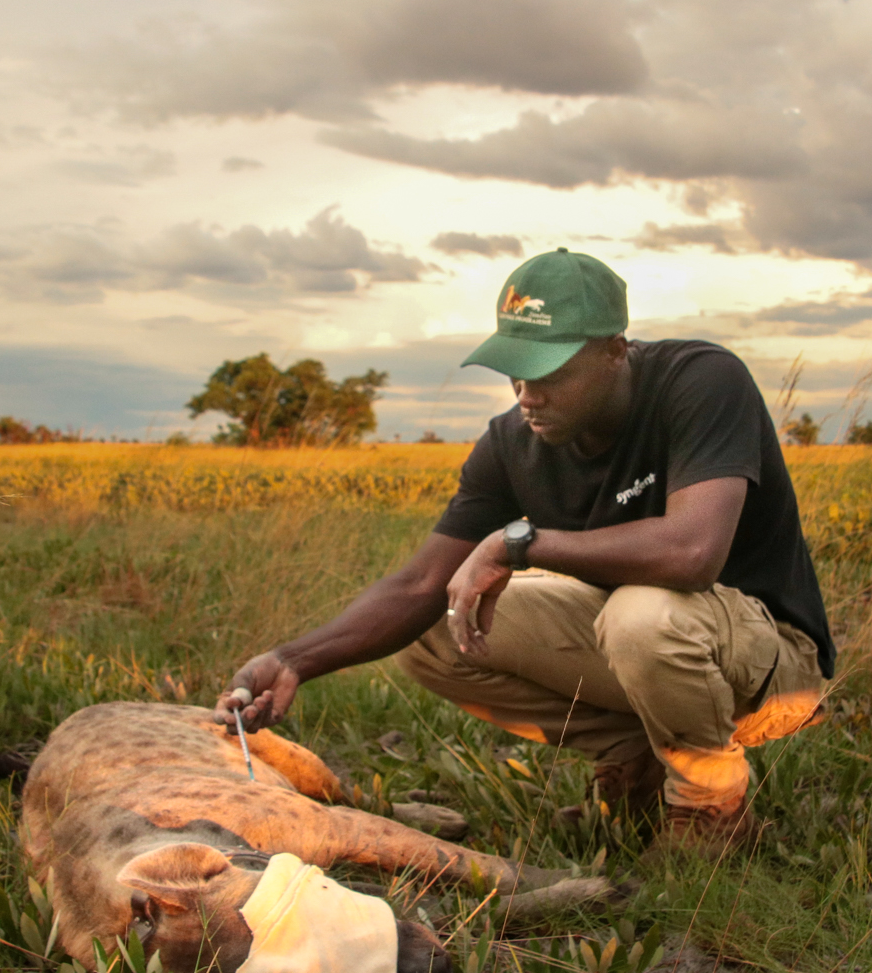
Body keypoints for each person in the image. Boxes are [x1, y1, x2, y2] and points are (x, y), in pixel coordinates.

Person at [215, 248, 834, 847]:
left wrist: (523, 543)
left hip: (770, 667)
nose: (526, 393)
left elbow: (692, 552)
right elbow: (418, 588)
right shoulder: (512, 442)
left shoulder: (699, 381)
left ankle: (711, 808)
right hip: (646, 647)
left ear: (616, 350)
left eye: (550, 372)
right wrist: (295, 659)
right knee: (440, 625)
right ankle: (633, 755)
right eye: (515, 369)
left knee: (641, 615)